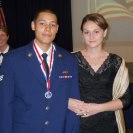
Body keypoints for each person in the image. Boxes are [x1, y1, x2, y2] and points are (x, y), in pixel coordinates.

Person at [0, 9, 80, 133]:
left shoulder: (69, 60)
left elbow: (74, 104)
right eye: (42, 23)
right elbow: (5, 105)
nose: (47, 29)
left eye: (52, 25)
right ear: (33, 25)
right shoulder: (13, 60)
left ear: (57, 28)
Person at [68, 13, 131, 133]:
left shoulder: (117, 62)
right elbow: (57, 91)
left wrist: (97, 108)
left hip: (109, 125)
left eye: (96, 31)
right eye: (87, 32)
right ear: (82, 35)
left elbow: (126, 99)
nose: (91, 36)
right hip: (78, 124)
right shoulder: (69, 60)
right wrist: (67, 102)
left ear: (105, 33)